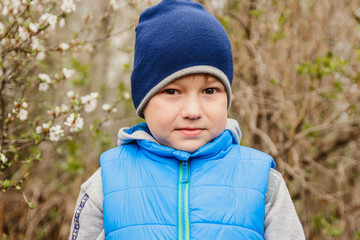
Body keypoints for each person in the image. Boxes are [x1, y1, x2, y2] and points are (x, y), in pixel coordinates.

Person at [69, 0, 305, 239]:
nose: (193, 111)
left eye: (210, 91)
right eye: (172, 92)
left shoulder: (263, 182)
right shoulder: (107, 183)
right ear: (144, 102)